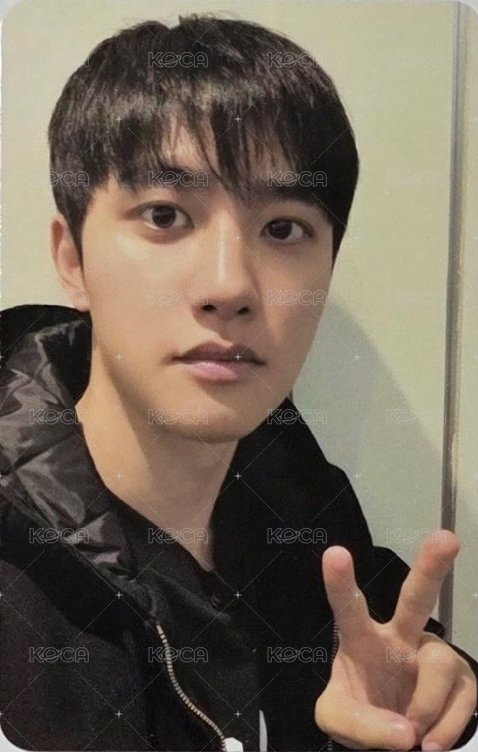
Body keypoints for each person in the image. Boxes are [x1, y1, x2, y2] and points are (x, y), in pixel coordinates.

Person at [0, 14, 477, 752]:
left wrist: (431, 711)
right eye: (165, 216)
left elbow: (406, 675)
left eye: (282, 228)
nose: (229, 286)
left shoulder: (305, 514)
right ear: (72, 260)